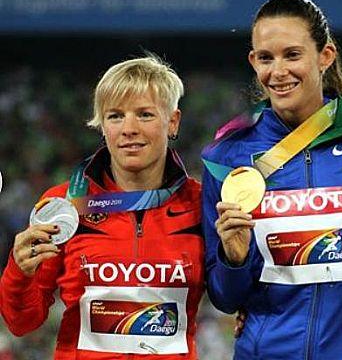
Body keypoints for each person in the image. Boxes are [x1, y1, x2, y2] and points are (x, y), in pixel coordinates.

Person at [201, 0, 342, 359]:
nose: (278, 71)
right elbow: (225, 298)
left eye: (292, 54)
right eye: (265, 58)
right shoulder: (225, 157)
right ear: (253, 61)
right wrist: (235, 258)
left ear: (325, 56)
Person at [0, 55, 204, 359]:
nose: (129, 128)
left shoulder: (200, 205)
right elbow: (21, 322)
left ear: (172, 121)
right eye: (115, 116)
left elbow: (232, 294)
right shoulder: (65, 206)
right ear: (102, 125)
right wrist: (19, 272)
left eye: (145, 114)